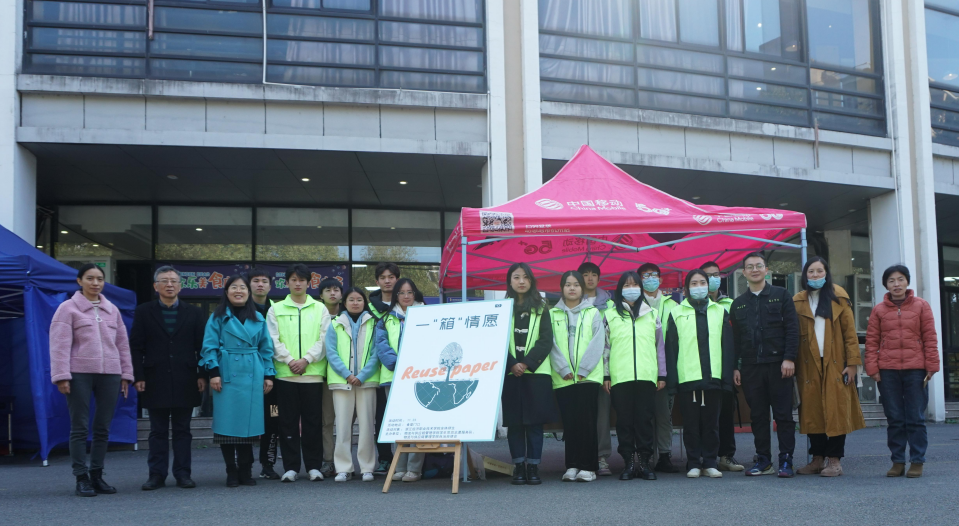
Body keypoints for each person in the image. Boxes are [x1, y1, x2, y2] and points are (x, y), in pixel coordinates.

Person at [50, 263, 133, 497]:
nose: (95, 283)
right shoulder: (67, 308)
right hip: (79, 374)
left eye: (99, 279)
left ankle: (97, 475)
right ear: (79, 281)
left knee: (103, 427)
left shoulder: (112, 310)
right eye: (90, 278)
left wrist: (126, 375)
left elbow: (122, 345)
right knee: (79, 426)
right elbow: (59, 345)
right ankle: (81, 478)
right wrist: (61, 376)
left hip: (111, 374)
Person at [130, 265, 206, 491]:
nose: (169, 285)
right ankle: (156, 475)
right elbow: (136, 347)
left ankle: (183, 474)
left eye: (174, 281)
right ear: (156, 286)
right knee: (157, 430)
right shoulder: (144, 311)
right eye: (164, 281)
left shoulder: (194, 313)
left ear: (181, 286)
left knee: (183, 430)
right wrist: (138, 375)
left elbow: (203, 347)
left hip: (186, 377)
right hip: (154, 378)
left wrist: (202, 374)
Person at [200, 274, 276, 487]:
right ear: (226, 292)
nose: (238, 291)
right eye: (234, 287)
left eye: (242, 287)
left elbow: (266, 348)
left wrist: (268, 375)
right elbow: (209, 346)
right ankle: (231, 470)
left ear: (248, 292)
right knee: (227, 424)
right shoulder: (217, 317)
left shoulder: (258, 318)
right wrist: (213, 372)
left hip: (252, 373)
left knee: (248, 425)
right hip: (226, 373)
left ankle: (245, 469)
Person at [792, 257, 865, 477]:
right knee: (812, 409)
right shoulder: (798, 301)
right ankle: (817, 458)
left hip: (836, 363)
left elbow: (850, 334)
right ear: (805, 275)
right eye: (811, 272)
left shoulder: (839, 297)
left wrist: (852, 364)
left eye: (819, 271)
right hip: (808, 363)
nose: (815, 275)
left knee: (836, 409)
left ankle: (834, 460)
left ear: (826, 273)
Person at [865, 264, 940, 478]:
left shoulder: (921, 306)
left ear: (907, 282)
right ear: (885, 285)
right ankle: (897, 461)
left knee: (915, 417)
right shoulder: (879, 310)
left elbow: (930, 337)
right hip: (887, 371)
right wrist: (872, 368)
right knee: (895, 418)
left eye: (900, 279)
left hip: (916, 369)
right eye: (891, 280)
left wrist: (932, 366)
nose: (896, 284)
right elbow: (871, 341)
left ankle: (917, 461)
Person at [730, 252, 799, 478]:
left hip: (779, 365)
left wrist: (789, 358)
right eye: (750, 267)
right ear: (744, 272)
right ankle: (764, 460)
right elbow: (736, 340)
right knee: (758, 416)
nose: (755, 270)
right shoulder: (738, 304)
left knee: (783, 416)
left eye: (759, 266)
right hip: (751, 367)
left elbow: (792, 329)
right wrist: (735, 366)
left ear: (766, 270)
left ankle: (786, 460)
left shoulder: (781, 295)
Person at [665, 269, 734, 478]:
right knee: (691, 424)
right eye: (693, 283)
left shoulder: (720, 311)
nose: (698, 287)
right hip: (688, 378)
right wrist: (672, 382)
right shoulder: (676, 312)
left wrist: (726, 378)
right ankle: (694, 462)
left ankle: (710, 462)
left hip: (713, 377)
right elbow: (671, 348)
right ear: (686, 288)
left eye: (702, 282)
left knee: (712, 424)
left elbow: (727, 346)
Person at [267, 264, 328, 482]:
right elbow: (273, 339)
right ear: (287, 283)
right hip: (285, 374)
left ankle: (314, 466)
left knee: (313, 422)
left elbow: (324, 339)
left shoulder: (320, 308)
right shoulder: (275, 309)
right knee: (287, 422)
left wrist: (307, 359)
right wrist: (290, 360)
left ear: (309, 283)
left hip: (312, 374)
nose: (298, 283)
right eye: (293, 279)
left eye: (302, 280)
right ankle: (291, 467)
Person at [604, 271, 665, 481]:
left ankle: (645, 462)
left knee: (644, 420)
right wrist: (606, 376)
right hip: (620, 377)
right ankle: (628, 463)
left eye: (635, 285)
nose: (631, 289)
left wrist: (662, 374)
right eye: (626, 285)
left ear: (641, 288)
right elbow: (605, 348)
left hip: (647, 376)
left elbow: (659, 347)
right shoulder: (610, 315)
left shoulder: (652, 314)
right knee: (624, 422)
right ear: (620, 289)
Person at [501, 263, 557, 486]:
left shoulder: (542, 308)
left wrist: (526, 363)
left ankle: (533, 466)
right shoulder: (502, 308)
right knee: (515, 423)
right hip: (510, 373)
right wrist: (512, 364)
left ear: (531, 281)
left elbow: (546, 340)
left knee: (534, 423)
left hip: (536, 373)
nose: (521, 281)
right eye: (516, 277)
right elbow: (496, 340)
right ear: (510, 281)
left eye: (525, 277)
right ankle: (518, 466)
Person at [551, 271, 605, 482]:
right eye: (567, 284)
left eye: (576, 284)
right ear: (562, 288)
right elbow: (550, 344)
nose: (572, 288)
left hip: (587, 378)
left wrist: (584, 368)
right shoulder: (552, 314)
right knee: (570, 424)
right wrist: (562, 367)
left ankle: (588, 467)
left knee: (587, 423)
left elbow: (598, 342)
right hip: (563, 378)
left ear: (582, 288)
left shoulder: (593, 312)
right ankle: (572, 465)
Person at [325, 287, 380, 482]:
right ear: (344, 302)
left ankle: (367, 467)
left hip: (367, 381)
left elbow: (376, 352)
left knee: (367, 426)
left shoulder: (374, 323)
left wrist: (362, 375)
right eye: (351, 299)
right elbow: (331, 352)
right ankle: (343, 468)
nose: (355, 303)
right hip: (342, 382)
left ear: (364, 302)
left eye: (359, 299)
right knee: (342, 426)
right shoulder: (335, 323)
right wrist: (347, 374)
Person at [374, 278, 426, 482]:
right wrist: (398, 364)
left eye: (410, 292)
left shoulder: (427, 315)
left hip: (420, 376)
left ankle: (414, 468)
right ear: (396, 295)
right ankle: (400, 466)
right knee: (399, 423)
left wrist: (413, 365)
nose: (406, 296)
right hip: (394, 376)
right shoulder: (386, 319)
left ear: (415, 294)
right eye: (402, 292)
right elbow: (381, 345)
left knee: (416, 424)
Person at [700, 261, 743, 473]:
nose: (712, 279)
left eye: (715, 274)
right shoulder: (691, 306)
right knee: (703, 415)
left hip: (724, 368)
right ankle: (703, 457)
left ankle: (726, 455)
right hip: (700, 369)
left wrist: (736, 366)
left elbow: (737, 338)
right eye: (707, 276)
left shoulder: (730, 304)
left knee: (726, 412)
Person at [637, 262, 680, 473]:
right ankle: (644, 457)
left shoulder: (672, 305)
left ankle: (664, 455)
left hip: (666, 366)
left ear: (661, 279)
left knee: (664, 414)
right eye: (645, 276)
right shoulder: (633, 304)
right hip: (641, 366)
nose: (650, 279)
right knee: (643, 415)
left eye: (654, 275)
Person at [578, 261, 614, 476]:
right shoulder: (572, 302)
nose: (589, 278)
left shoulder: (610, 306)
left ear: (599, 279)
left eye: (593, 274)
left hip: (603, 368)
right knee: (582, 415)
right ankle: (581, 457)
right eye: (585, 274)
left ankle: (602, 457)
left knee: (602, 415)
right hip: (579, 370)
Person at [248, 267, 281, 480]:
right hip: (246, 376)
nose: (260, 284)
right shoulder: (239, 309)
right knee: (245, 419)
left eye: (264, 281)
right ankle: (243, 465)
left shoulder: (277, 310)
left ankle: (268, 463)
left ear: (270, 285)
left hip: (273, 378)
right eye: (255, 281)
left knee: (273, 418)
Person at [369, 262, 400, 474]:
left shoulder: (406, 303)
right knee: (381, 417)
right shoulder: (369, 307)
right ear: (377, 281)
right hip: (376, 371)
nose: (387, 281)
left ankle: (404, 459)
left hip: (404, 372)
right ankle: (385, 458)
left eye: (391, 277)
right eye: (383, 277)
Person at [317, 277, 343, 479]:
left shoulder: (349, 315)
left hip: (347, 376)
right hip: (324, 375)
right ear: (321, 295)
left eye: (336, 290)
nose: (332, 293)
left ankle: (345, 462)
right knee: (327, 421)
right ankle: (328, 460)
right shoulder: (316, 315)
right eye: (328, 290)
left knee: (346, 422)